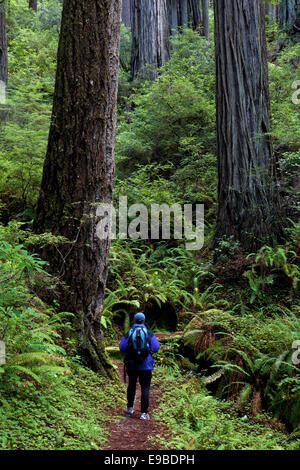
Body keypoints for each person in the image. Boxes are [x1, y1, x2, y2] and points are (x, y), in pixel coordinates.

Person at [119, 312, 160, 420]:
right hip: (145, 365)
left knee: (131, 385)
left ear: (134, 320)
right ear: (144, 321)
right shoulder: (148, 332)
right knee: (145, 387)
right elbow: (156, 347)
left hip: (132, 364)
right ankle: (144, 413)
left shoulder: (130, 332)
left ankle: (129, 408)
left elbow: (121, 347)